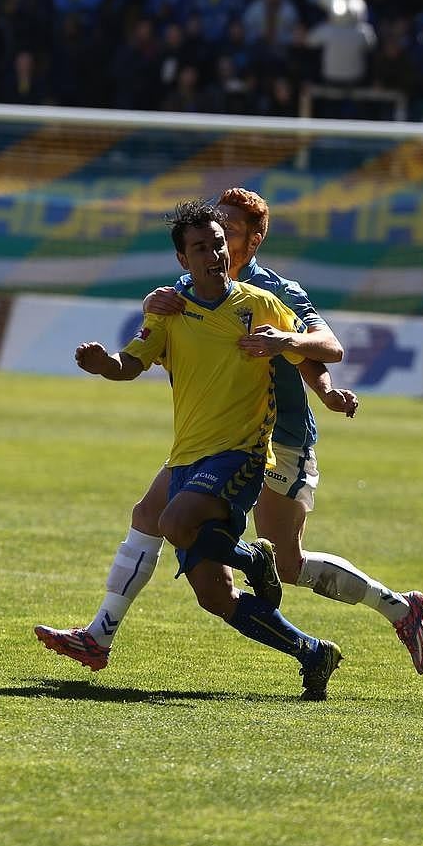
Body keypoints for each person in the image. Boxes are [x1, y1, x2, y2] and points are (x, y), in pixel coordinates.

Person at [36, 188, 423, 676]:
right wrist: (126, 337)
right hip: (203, 440)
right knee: (161, 527)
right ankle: (101, 635)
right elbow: (144, 344)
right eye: (209, 235)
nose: (219, 245)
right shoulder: (182, 290)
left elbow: (321, 348)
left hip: (277, 440)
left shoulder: (273, 293)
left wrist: (314, 378)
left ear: (254, 238)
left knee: (285, 563)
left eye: (230, 233)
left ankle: (398, 608)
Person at [48, 199, 343, 700]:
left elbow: (330, 348)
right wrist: (103, 363)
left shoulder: (259, 305)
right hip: (188, 454)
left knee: (169, 522)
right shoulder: (168, 310)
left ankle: (254, 558)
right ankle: (312, 653)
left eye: (219, 244)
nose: (214, 254)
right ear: (184, 260)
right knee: (214, 596)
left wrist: (282, 344)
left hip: (242, 453)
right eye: (201, 248)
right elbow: (130, 363)